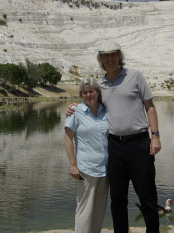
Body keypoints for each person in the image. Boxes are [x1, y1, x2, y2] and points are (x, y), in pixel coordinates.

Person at [67, 40, 162, 233]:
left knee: (147, 196)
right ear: (100, 60)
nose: (109, 59)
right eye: (105, 56)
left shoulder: (135, 76)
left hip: (139, 143)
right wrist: (72, 108)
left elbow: (150, 108)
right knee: (118, 199)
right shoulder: (100, 84)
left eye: (113, 55)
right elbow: (90, 104)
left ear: (119, 57)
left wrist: (155, 136)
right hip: (114, 147)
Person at [64, 77, 109, 233]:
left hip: (105, 169)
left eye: (91, 91)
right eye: (84, 93)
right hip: (86, 168)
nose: (89, 95)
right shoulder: (75, 112)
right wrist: (73, 165)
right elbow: (68, 138)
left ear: (97, 92)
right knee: (84, 209)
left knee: (99, 209)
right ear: (81, 95)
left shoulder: (105, 110)